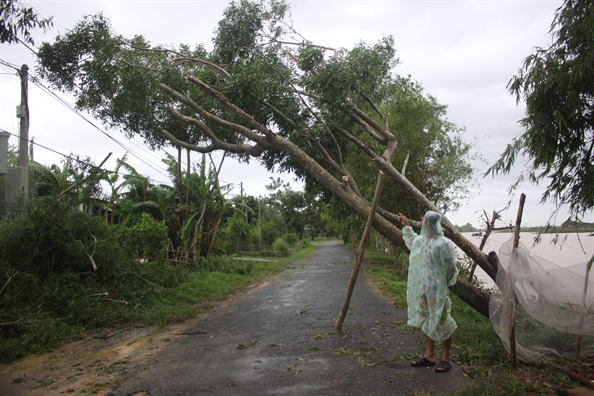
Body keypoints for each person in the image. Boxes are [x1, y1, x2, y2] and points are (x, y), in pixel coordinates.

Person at [397, 210, 458, 373]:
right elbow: (410, 240)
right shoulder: (421, 241)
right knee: (426, 319)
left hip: (437, 290)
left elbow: (450, 266)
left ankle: (445, 358)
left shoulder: (443, 243)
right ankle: (430, 355)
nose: (422, 221)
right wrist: (407, 226)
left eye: (424, 220)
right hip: (422, 288)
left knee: (443, 319)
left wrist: (445, 282)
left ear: (430, 223)